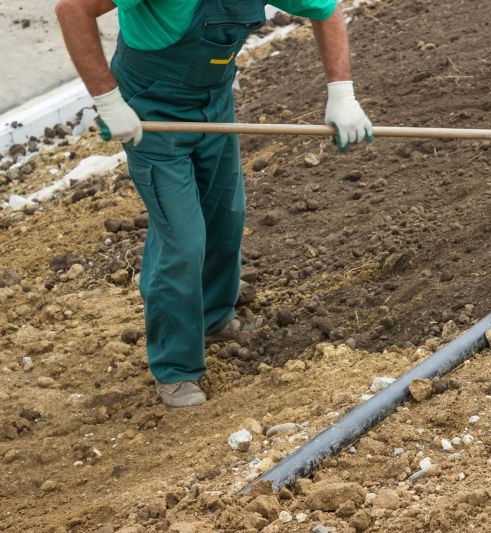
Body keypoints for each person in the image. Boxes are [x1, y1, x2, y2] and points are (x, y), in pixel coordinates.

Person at [55, 0, 373, 408]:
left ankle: (214, 318)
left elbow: (325, 9)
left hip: (214, 103)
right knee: (182, 240)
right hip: (151, 110)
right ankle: (175, 368)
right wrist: (108, 101)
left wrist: (342, 94)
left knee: (226, 217)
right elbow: (72, 9)